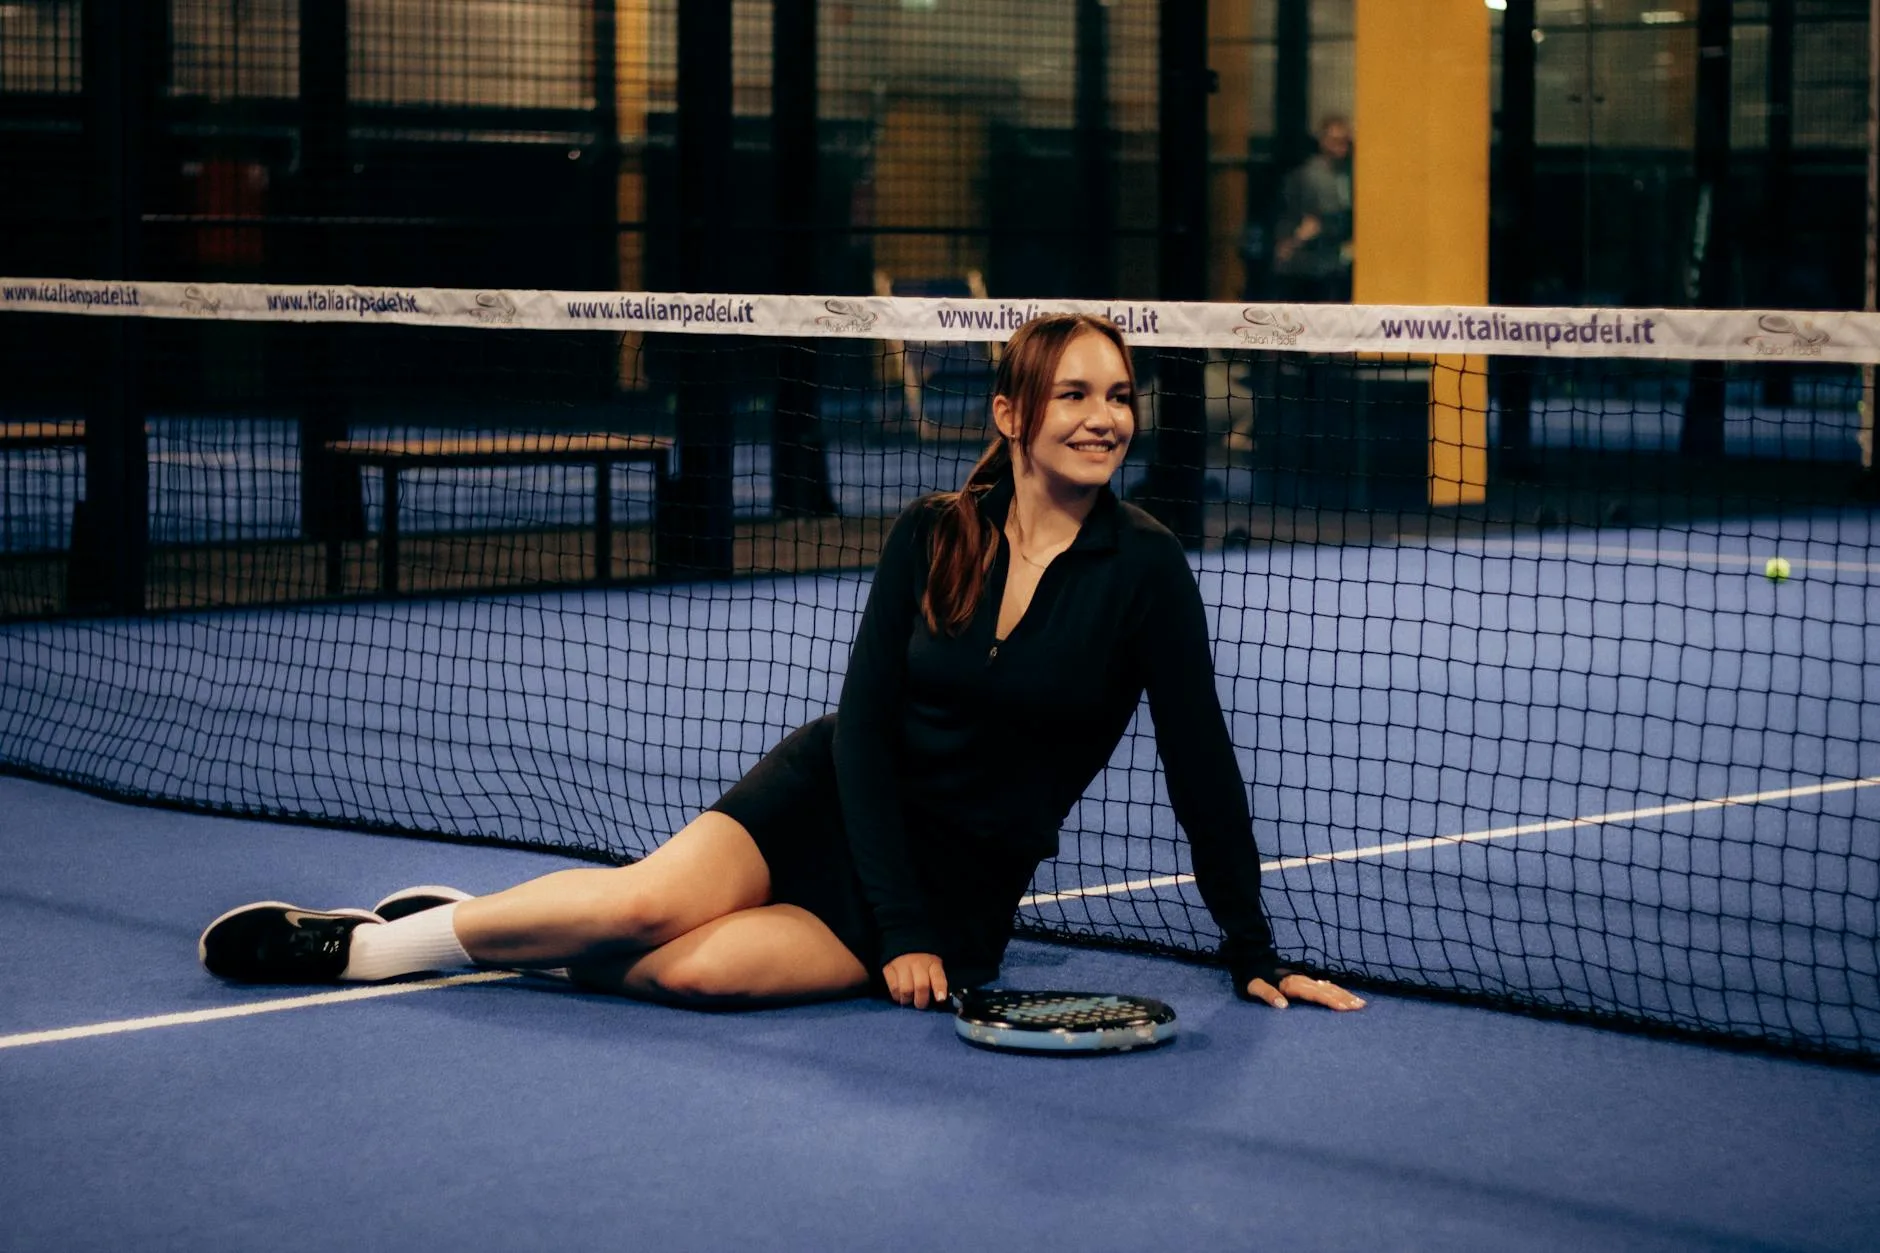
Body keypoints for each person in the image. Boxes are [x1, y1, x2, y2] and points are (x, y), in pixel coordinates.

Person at [199, 314, 1364, 1015]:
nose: (1104, 417)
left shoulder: (1147, 571)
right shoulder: (931, 531)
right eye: (1073, 394)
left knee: (693, 975)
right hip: (828, 800)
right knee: (643, 899)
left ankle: (507, 924)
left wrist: (1248, 947)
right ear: (1011, 412)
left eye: (1117, 396)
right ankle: (363, 947)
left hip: (963, 881)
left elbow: (1197, 762)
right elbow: (861, 728)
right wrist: (892, 924)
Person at [1271, 115, 1354, 304]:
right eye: (1335, 141)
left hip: (1333, 255)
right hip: (1310, 259)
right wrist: (1295, 237)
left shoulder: (1349, 175)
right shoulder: (1307, 176)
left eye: (1344, 142)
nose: (1340, 148)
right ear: (1323, 141)